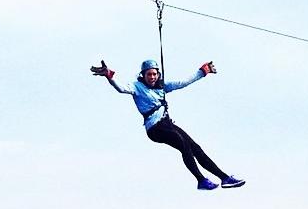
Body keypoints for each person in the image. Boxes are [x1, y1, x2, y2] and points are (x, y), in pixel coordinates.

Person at [90, 58, 245, 191]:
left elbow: (182, 83)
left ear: (158, 74)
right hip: (155, 128)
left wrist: (203, 71)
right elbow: (121, 88)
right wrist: (109, 76)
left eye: (154, 74)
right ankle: (201, 180)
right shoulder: (137, 87)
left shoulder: (162, 87)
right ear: (143, 75)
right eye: (148, 74)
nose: (152, 77)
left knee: (196, 148)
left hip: (167, 125)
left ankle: (224, 178)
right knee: (184, 145)